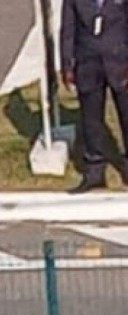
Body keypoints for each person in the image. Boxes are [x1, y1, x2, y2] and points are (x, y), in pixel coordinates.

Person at [61, 0, 128, 192]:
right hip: (87, 63)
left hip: (120, 62)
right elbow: (68, 29)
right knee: (91, 120)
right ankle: (95, 172)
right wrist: (67, 66)